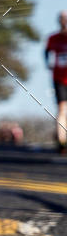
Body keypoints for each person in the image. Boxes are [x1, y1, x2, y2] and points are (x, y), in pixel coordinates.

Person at [45, 11, 67, 153]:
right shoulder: (53, 38)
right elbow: (46, 52)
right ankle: (61, 141)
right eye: (62, 19)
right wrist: (48, 64)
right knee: (62, 109)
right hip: (59, 78)